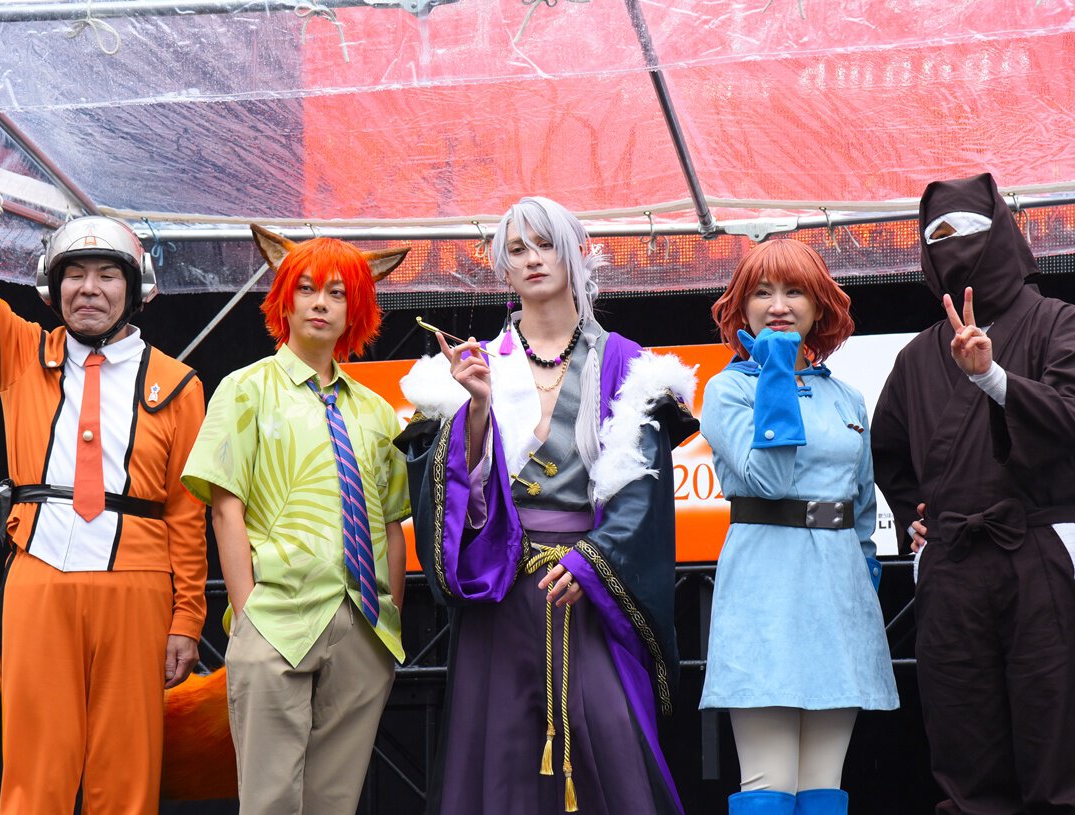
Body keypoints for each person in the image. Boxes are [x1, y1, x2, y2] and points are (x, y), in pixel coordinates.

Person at [398, 196, 697, 815]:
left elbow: (641, 495)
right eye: (517, 249)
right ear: (503, 270)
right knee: (500, 760)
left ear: (578, 252)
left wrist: (592, 562)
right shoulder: (475, 366)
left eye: (546, 244)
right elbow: (451, 500)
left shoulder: (628, 366)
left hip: (588, 590)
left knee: (610, 745)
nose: (533, 258)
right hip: (503, 591)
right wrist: (476, 408)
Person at [0, 195, 207, 813]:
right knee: (35, 769)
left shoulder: (179, 385)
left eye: (107, 275)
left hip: (138, 586)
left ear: (135, 290)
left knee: (126, 774)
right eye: (74, 275)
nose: (89, 289)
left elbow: (187, 514)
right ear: (53, 290)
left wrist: (187, 619)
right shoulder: (19, 351)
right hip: (39, 578)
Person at [871, 173, 1075, 814]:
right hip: (952, 561)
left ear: (1002, 235)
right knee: (965, 751)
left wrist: (993, 378)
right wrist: (912, 517)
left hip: (1040, 548)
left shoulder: (1057, 320)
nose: (952, 243)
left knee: (1062, 741)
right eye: (937, 234)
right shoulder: (915, 358)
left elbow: (1073, 413)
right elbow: (887, 450)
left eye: (969, 230)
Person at [180, 226, 411, 814]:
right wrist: (247, 615)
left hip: (363, 626)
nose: (320, 303)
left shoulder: (377, 411)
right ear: (284, 300)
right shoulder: (244, 389)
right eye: (306, 288)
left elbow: (391, 522)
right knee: (270, 801)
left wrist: (389, 617)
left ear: (356, 309)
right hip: (276, 619)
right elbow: (225, 506)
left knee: (335, 801)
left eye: (337, 293)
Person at [698, 238, 898, 815]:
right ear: (742, 307)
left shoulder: (847, 397)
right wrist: (777, 374)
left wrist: (864, 570)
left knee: (823, 785)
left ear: (819, 306)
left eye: (794, 291)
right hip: (765, 586)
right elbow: (768, 481)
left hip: (839, 591)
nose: (779, 305)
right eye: (762, 292)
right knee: (770, 782)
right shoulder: (728, 389)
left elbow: (862, 503)